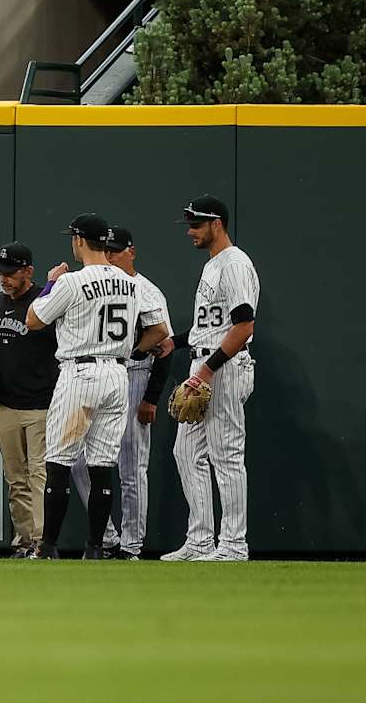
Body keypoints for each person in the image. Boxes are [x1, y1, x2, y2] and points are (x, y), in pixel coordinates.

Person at [25, 213, 169, 560]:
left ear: (78, 241)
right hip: (118, 376)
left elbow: (33, 320)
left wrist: (50, 285)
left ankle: (47, 547)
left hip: (81, 376)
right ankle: (95, 547)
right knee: (102, 465)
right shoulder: (132, 283)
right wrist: (131, 350)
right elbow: (160, 330)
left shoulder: (72, 282)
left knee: (59, 462)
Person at [155, 195, 260, 562]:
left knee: (226, 456)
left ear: (217, 224)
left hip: (223, 370)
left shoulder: (233, 264)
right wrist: (175, 343)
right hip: (206, 366)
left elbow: (243, 326)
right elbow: (209, 327)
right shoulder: (213, 265)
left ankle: (233, 545)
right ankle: (200, 541)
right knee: (186, 452)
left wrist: (205, 371)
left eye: (196, 224)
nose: (191, 231)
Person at [67, 225, 173, 560]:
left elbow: (165, 343)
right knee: (79, 459)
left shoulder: (145, 289)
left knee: (131, 466)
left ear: (132, 251)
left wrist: (151, 397)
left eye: (117, 250)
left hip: (135, 378)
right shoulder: (100, 285)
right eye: (107, 250)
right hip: (101, 375)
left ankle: (130, 545)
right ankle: (108, 537)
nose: (111, 256)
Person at [0, 242, 58, 558]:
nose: (4, 278)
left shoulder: (47, 301)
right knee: (15, 478)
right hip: (6, 403)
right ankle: (23, 539)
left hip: (41, 402)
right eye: (1, 272)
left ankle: (41, 541)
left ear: (28, 271)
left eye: (11, 272)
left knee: (38, 474)